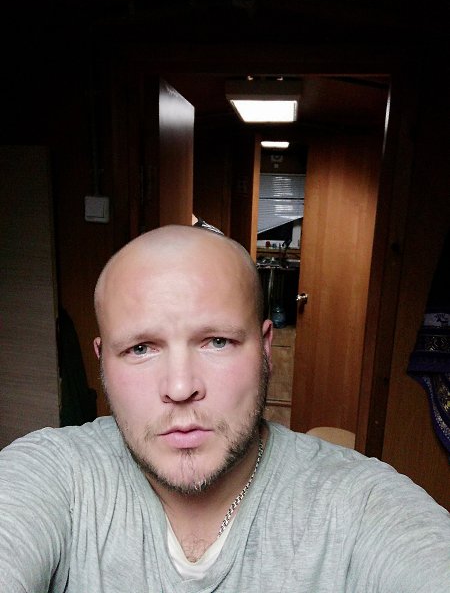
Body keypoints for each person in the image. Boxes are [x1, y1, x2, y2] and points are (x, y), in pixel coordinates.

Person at [0, 224, 449, 593]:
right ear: (102, 361)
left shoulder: (358, 502)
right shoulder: (55, 472)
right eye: (140, 348)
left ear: (265, 348)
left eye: (217, 341)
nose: (180, 388)